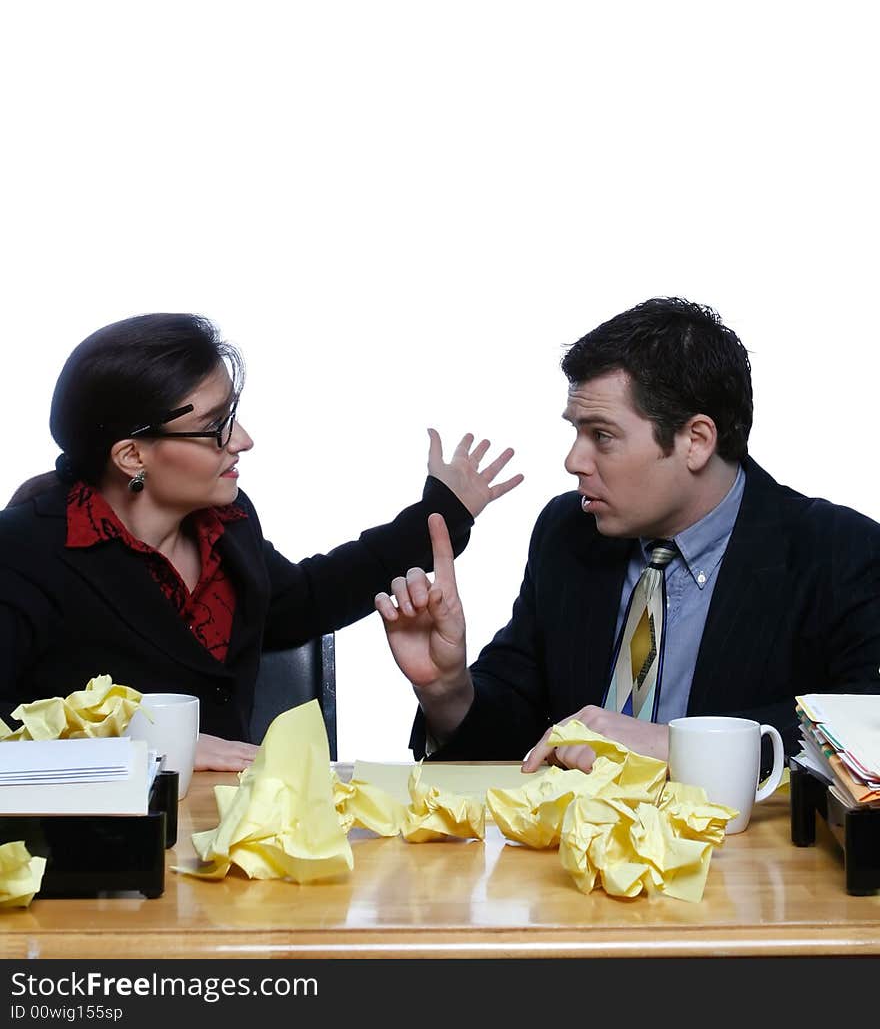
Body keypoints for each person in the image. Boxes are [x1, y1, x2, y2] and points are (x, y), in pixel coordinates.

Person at [376, 297, 880, 772]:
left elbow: (865, 737)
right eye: (575, 431)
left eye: (602, 436)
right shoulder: (566, 533)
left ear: (696, 441)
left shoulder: (838, 553)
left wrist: (677, 749)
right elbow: (517, 729)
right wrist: (447, 691)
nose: (573, 461)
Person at [0, 313, 523, 771]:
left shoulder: (228, 521)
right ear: (132, 457)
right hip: (86, 863)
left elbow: (304, 601)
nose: (242, 439)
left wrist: (440, 514)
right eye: (215, 427)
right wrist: (145, 749)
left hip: (227, 838)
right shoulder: (24, 553)